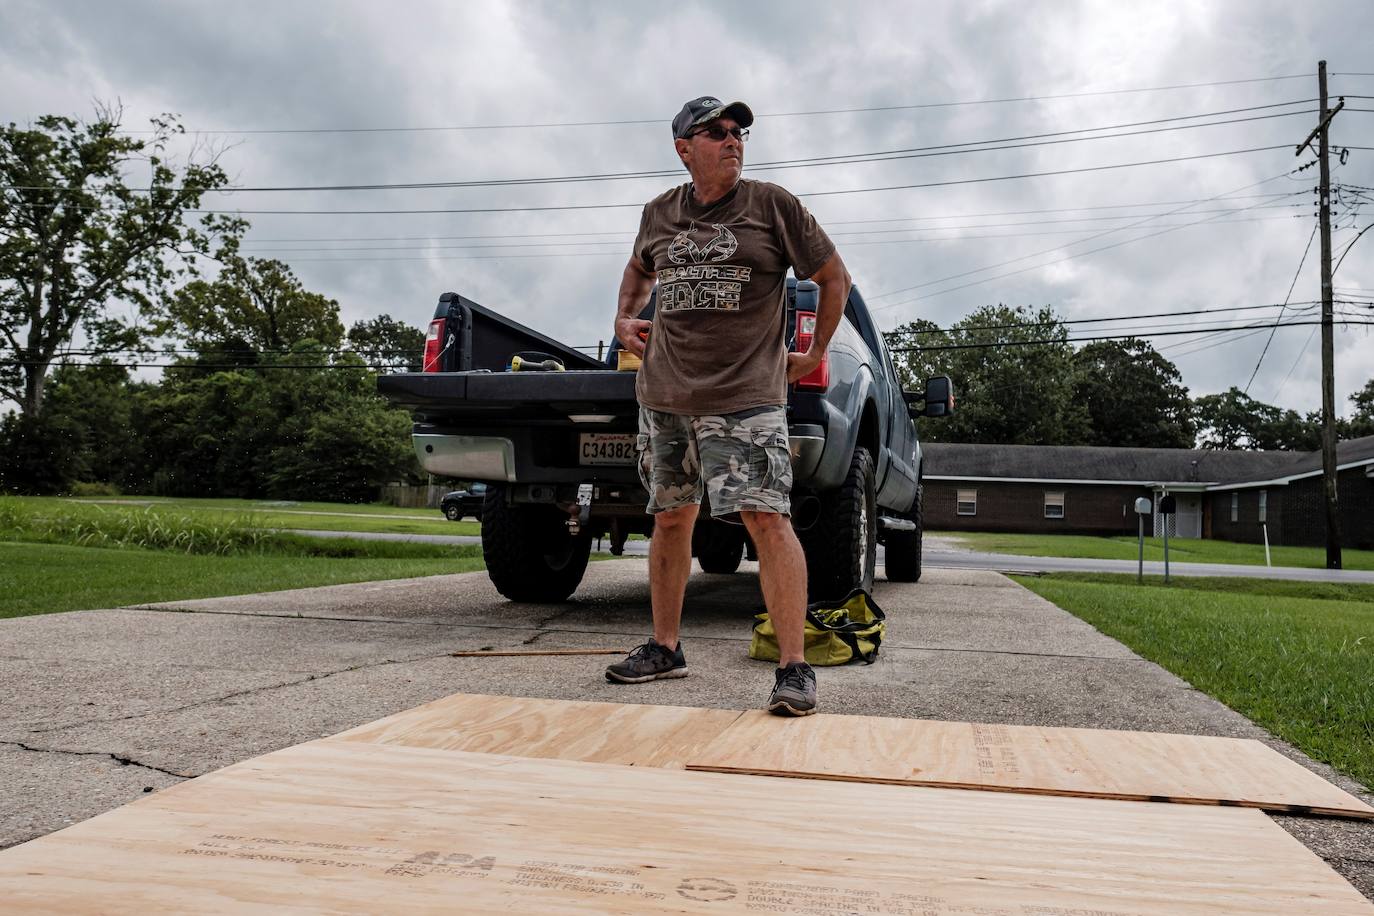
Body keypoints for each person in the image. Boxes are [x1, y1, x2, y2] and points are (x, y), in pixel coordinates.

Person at [605, 95, 850, 716]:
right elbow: (637, 269)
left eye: (738, 130)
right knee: (669, 518)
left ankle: (794, 668)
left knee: (767, 519)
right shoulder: (659, 212)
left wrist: (812, 349)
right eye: (714, 132)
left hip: (745, 397)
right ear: (684, 149)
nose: (732, 139)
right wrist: (623, 317)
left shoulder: (772, 206)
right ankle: (665, 648)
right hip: (664, 396)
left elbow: (833, 277)